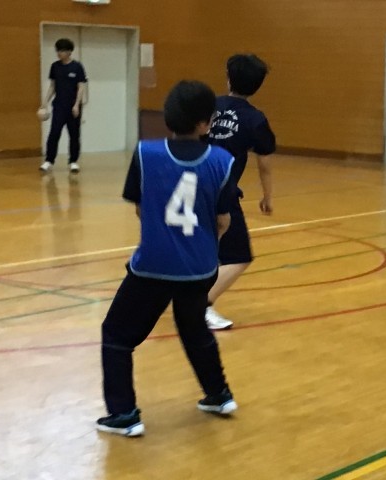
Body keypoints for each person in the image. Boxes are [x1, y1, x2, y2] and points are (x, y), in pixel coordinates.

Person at [96, 80, 237, 437]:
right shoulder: (222, 161)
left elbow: (140, 209)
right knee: (193, 328)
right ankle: (219, 395)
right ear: (206, 123)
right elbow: (223, 221)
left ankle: (124, 414)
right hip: (201, 267)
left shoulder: (146, 153)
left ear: (168, 116)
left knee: (116, 334)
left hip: (153, 266)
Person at [204, 54, 277, 330]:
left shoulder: (207, 105)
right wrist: (267, 197)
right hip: (221, 193)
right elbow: (265, 165)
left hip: (188, 186)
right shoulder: (254, 119)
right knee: (238, 257)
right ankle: (201, 305)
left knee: (199, 248)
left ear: (228, 78)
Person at [39, 38, 87, 173]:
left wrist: (76, 105)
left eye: (62, 51)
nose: (59, 53)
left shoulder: (77, 67)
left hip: (73, 107)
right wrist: (45, 102)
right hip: (59, 106)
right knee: (54, 133)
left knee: (74, 134)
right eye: (58, 51)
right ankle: (49, 160)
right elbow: (52, 86)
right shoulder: (55, 66)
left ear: (69, 52)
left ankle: (73, 161)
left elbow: (81, 87)